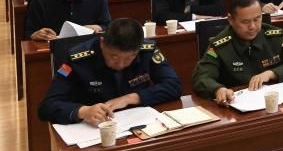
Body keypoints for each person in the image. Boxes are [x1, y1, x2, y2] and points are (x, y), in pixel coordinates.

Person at [38, 18, 181, 125]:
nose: (121, 64)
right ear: (102, 43)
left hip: (138, 123)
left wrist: (129, 99)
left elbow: (174, 85)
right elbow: (47, 106)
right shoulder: (76, 60)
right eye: (114, 57)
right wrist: (82, 111)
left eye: (129, 58)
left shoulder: (147, 51)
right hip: (95, 129)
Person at [191, 0, 283, 104]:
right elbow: (201, 77)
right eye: (245, 22)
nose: (252, 26)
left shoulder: (274, 36)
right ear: (231, 20)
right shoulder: (220, 45)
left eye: (257, 19)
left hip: (274, 100)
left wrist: (271, 73)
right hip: (237, 104)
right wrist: (218, 89)